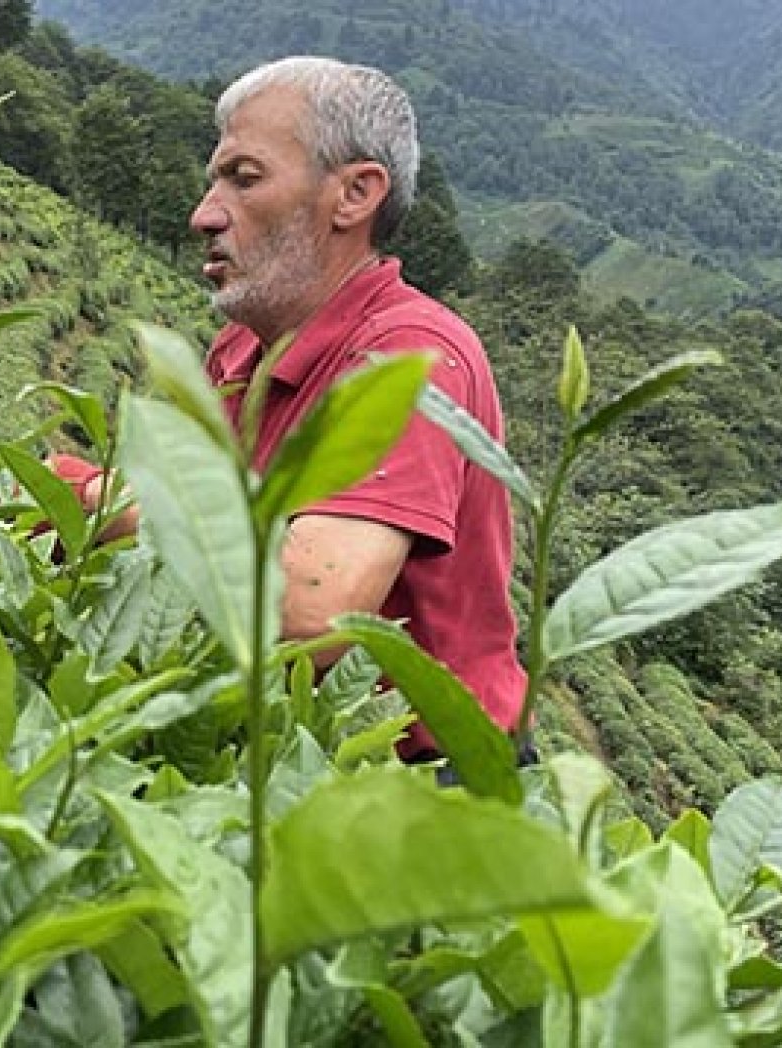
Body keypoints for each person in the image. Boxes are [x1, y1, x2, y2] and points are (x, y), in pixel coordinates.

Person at [62, 56, 527, 755]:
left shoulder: (408, 357)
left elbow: (312, 609)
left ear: (354, 194)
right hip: (286, 747)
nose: (203, 214)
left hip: (426, 780)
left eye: (243, 180)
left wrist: (78, 500)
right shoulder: (240, 351)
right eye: (213, 180)